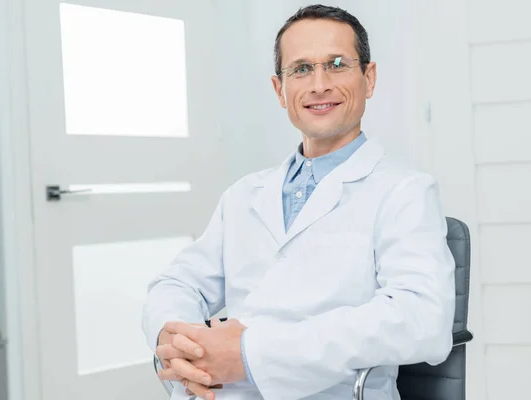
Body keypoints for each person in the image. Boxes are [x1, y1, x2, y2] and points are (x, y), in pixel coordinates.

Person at [142, 4, 455, 400]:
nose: (319, 84)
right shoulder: (244, 194)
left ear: (369, 78)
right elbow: (176, 283)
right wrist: (180, 340)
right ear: (280, 89)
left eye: (337, 64)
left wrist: (251, 353)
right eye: (301, 69)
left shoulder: (405, 192)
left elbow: (422, 320)